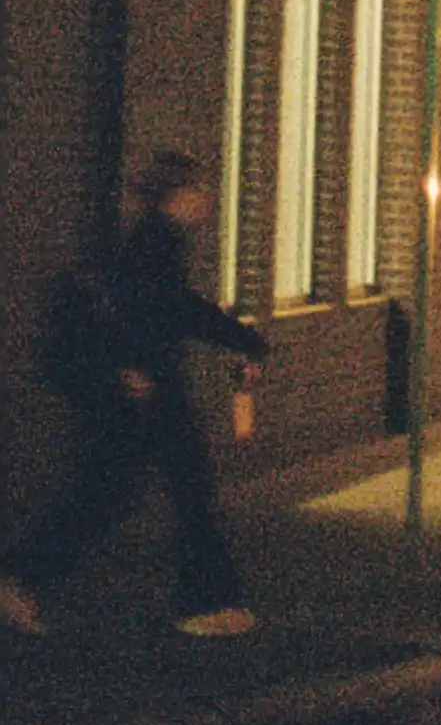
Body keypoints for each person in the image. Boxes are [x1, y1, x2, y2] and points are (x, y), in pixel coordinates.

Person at [0, 151, 268, 640]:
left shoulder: (153, 241)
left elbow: (164, 306)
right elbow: (170, 309)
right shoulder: (154, 243)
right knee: (181, 493)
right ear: (177, 195)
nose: (206, 201)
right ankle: (206, 603)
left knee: (110, 494)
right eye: (199, 191)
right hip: (150, 390)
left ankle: (24, 579)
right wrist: (241, 339)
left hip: (144, 388)